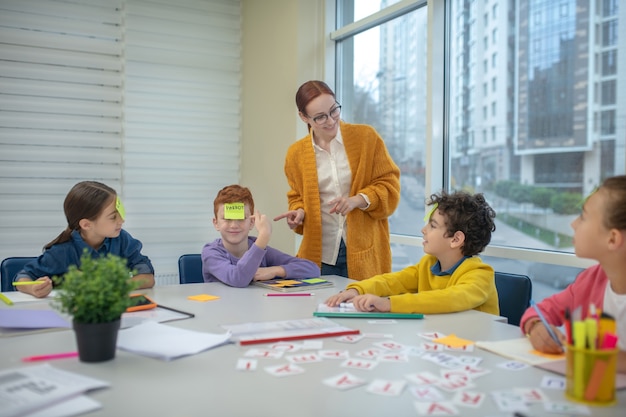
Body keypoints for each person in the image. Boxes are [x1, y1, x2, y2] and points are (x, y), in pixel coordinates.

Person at [273, 80, 400, 280]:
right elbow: (297, 196)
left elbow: (389, 185)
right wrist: (298, 212)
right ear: (304, 117)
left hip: (365, 253)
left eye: (334, 110)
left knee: (364, 307)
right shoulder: (295, 154)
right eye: (320, 117)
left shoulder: (367, 138)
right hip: (320, 255)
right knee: (317, 309)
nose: (331, 121)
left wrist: (357, 200)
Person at [325, 190, 498, 314]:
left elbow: (449, 298)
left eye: (432, 226)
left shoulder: (480, 275)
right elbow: (392, 281)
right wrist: (357, 290)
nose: (424, 230)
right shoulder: (428, 265)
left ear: (456, 239)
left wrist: (389, 304)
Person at [520, 176, 626, 373]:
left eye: (583, 217)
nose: (574, 224)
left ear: (612, 239)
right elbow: (541, 310)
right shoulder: (591, 281)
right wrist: (536, 327)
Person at [14, 181, 155, 298]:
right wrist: (33, 288)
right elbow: (22, 276)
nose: (122, 220)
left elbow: (148, 278)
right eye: (113, 217)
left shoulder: (122, 239)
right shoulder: (63, 251)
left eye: (120, 213)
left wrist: (114, 286)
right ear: (86, 224)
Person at [202, 184, 320, 287]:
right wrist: (263, 236)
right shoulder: (211, 252)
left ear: (252, 222)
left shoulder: (257, 248)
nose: (234, 225)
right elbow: (238, 279)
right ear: (216, 223)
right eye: (227, 219)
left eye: (241, 218)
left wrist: (275, 270)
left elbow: (313, 269)